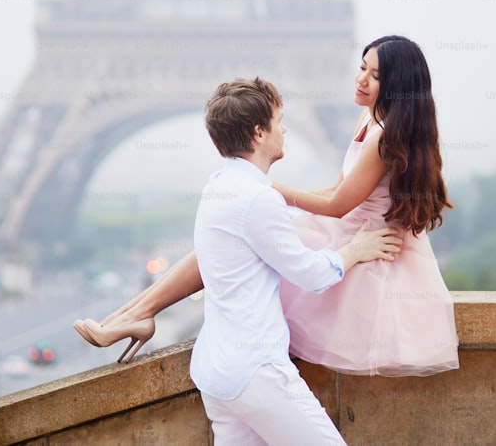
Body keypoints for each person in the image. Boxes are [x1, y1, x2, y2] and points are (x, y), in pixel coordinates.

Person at [75, 35, 459, 377]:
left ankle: (136, 315)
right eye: (362, 67)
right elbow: (339, 190)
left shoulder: (384, 136)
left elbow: (339, 205)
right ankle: (132, 314)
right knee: (233, 236)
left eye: (374, 75)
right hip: (346, 230)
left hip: (363, 244)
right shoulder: (370, 119)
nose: (361, 78)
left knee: (235, 236)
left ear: (396, 85)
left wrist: (266, 187)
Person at [103, 77, 402, 444]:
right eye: (279, 121)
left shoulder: (219, 186)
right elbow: (310, 274)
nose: (285, 128)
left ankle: (134, 314)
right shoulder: (258, 199)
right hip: (256, 371)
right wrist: (355, 251)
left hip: (216, 372)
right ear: (259, 133)